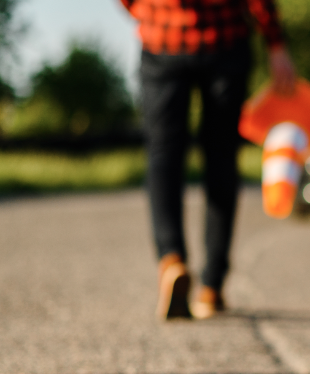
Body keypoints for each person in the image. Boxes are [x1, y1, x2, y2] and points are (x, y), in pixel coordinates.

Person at [119, 0, 296, 319]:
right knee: (221, 159)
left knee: (164, 156)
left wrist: (146, 10)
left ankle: (172, 260)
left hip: (162, 38)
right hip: (224, 39)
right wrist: (275, 42)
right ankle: (212, 286)